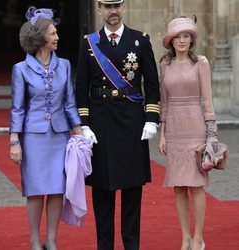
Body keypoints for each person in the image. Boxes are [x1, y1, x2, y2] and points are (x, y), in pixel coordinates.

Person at [75, 0, 160, 249]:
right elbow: (81, 87)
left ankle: (131, 246)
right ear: (99, 10)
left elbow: (152, 84)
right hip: (100, 125)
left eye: (117, 6)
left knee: (132, 191)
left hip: (132, 124)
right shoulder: (88, 43)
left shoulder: (139, 40)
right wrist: (84, 123)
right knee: (102, 193)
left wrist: (152, 119)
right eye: (107, 6)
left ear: (123, 8)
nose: (113, 11)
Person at [9, 6, 81, 250]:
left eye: (56, 33)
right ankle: (33, 240)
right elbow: (18, 108)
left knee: (57, 189)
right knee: (36, 190)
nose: (57, 37)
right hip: (33, 137)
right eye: (52, 33)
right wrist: (14, 140)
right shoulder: (20, 69)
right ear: (40, 38)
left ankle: (51, 239)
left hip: (59, 135)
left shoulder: (65, 65)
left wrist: (80, 132)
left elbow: (70, 102)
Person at [159, 16, 219, 250]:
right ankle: (184, 238)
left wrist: (211, 134)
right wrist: (163, 134)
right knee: (179, 186)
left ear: (191, 40)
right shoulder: (164, 64)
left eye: (186, 36)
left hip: (195, 128)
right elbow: (164, 102)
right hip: (174, 130)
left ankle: (198, 238)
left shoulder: (201, 62)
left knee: (195, 185)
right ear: (171, 40)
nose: (182, 40)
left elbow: (208, 100)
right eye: (178, 36)